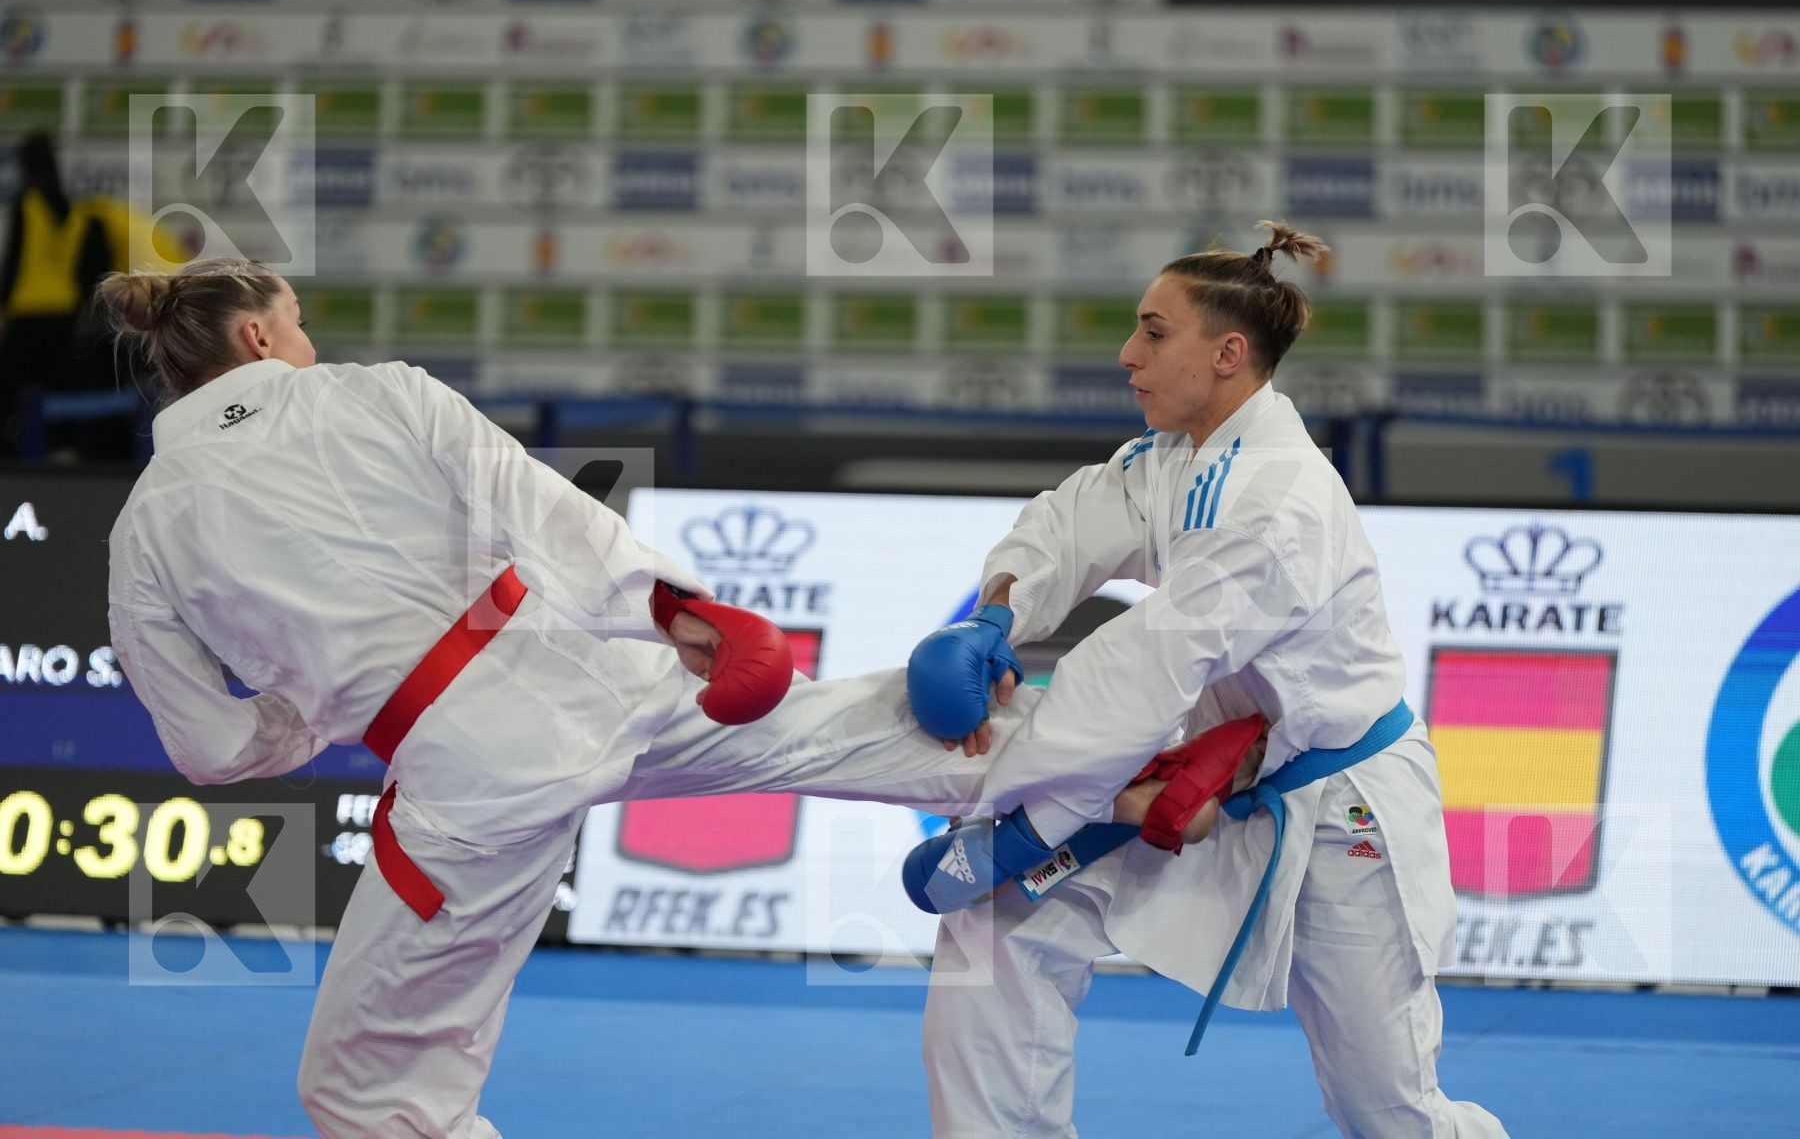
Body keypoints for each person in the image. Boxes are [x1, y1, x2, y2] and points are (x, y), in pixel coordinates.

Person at [98, 257, 1233, 1139]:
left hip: (466, 776)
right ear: (257, 336)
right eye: (293, 321)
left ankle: (1116, 780)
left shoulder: (145, 527)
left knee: (362, 1090)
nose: (305, 338)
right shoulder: (374, 393)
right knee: (836, 729)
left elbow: (205, 746)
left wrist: (305, 711)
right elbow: (537, 510)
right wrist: (682, 614)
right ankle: (1129, 767)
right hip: (591, 671)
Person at [903, 223, 1508, 1137]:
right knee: (1002, 930)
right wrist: (995, 615)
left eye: (1153, 332)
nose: (1127, 354)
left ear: (1227, 354)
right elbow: (1070, 524)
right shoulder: (1175, 458)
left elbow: (1148, 666)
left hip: (1340, 812)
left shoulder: (1277, 497)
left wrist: (1025, 820)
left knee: (1387, 1109)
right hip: (1216, 787)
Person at [0, 132, 113, 456]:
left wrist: (3, 309)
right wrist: (82, 314)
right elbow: (91, 273)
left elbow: (14, 262)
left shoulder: (28, 204)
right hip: (64, 318)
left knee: (14, 394)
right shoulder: (80, 213)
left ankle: (15, 457)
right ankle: (63, 451)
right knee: (59, 392)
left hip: (27, 316)